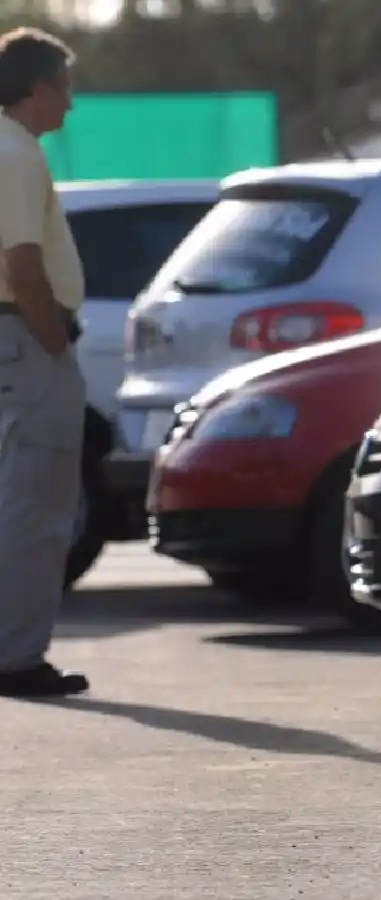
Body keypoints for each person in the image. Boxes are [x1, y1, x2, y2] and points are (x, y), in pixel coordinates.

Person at [0, 27, 88, 697]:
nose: (70, 102)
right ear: (36, 88)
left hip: (16, 338)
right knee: (34, 503)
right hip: (25, 340)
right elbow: (23, 263)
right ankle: (15, 656)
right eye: (64, 87)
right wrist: (54, 339)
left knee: (19, 498)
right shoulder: (13, 152)